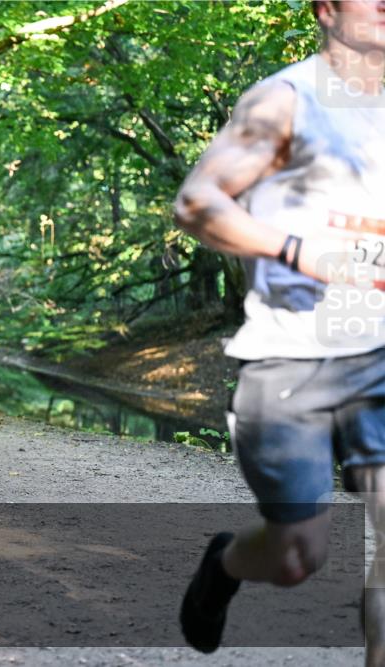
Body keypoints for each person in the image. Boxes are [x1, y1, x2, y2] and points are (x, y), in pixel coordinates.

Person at [173, 1, 384, 662]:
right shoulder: (285, 99)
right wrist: (305, 253)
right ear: (325, 8)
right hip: (295, 353)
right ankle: (227, 563)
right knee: (298, 555)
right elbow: (198, 203)